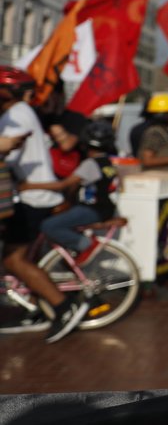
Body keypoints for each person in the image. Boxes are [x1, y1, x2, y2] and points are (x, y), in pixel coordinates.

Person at [0, 66, 87, 343]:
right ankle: (40, 307)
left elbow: (8, 152)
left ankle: (63, 306)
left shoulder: (14, 117)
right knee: (26, 258)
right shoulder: (20, 113)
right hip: (32, 196)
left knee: (14, 260)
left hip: (31, 198)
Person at [34, 121, 120, 258]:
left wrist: (28, 186)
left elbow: (64, 184)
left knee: (48, 225)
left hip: (92, 210)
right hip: (105, 209)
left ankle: (85, 245)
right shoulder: (108, 162)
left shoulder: (90, 164)